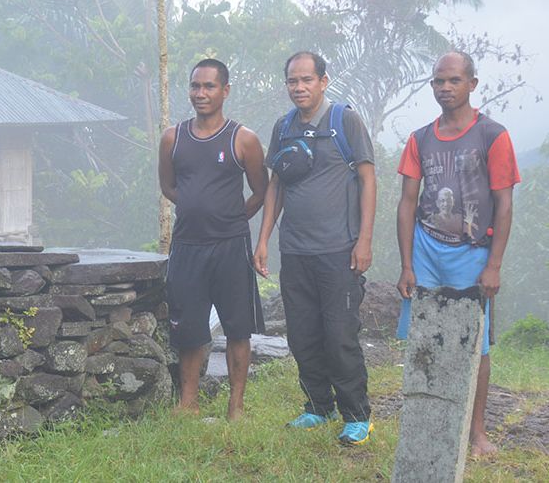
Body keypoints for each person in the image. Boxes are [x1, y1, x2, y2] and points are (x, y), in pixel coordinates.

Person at [396, 51, 520, 457]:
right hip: (427, 248)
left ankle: (476, 430)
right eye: (438, 81)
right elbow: (407, 203)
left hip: (471, 251)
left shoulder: (492, 136)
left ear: (472, 84)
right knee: (424, 338)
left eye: (453, 81)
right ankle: (425, 423)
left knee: (476, 346)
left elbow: (503, 205)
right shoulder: (420, 138)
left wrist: (494, 265)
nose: (445, 88)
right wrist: (407, 264)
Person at [253, 51, 377, 445]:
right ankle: (317, 407)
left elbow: (369, 180)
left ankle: (357, 416)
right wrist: (263, 239)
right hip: (296, 251)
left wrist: (364, 241)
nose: (299, 87)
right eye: (293, 80)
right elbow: (277, 184)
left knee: (339, 334)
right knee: (302, 335)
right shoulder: (284, 126)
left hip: (339, 250)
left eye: (307, 79)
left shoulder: (345, 120)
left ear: (323, 81)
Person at [159, 58, 268, 421]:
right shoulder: (173, 137)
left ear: (225, 90)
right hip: (187, 246)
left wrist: (230, 218)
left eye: (208, 86)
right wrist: (195, 208)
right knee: (189, 327)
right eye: (195, 86)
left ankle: (235, 407)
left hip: (231, 247)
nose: (200, 93)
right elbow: (169, 187)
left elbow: (260, 191)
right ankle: (187, 403)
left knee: (238, 327)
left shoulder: (243, 139)